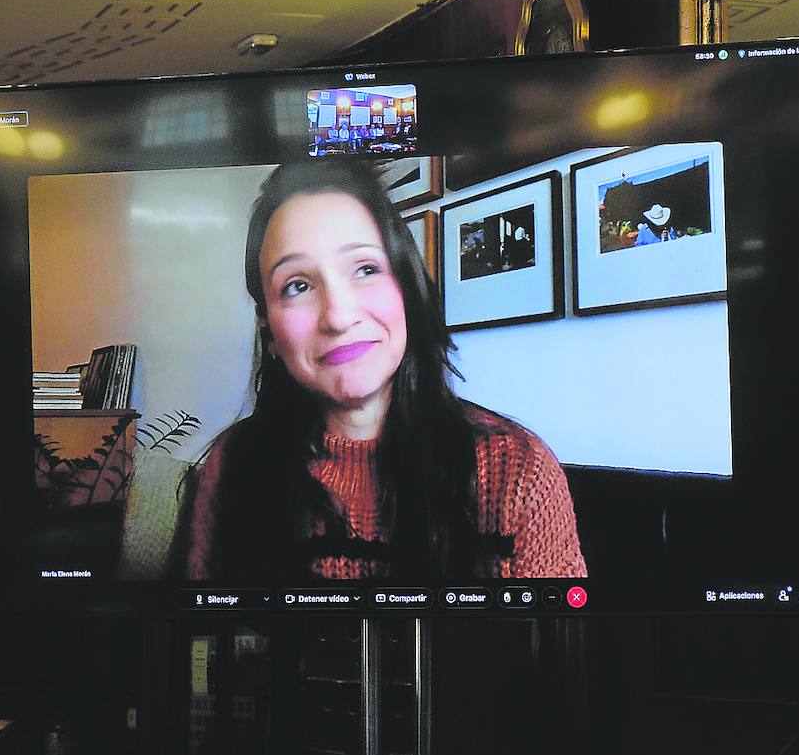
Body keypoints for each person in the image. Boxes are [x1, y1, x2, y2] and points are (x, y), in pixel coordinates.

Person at [175, 161, 586, 583]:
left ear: (406, 287)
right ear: (269, 328)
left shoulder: (517, 470)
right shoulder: (230, 468)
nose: (337, 316)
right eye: (297, 285)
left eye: (366, 269)